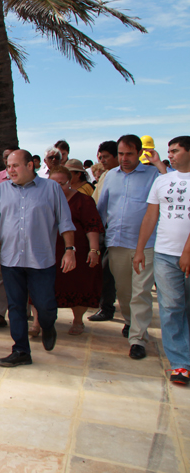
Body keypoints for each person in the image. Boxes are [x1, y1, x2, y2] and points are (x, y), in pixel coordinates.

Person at [0, 150, 76, 367]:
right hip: (10, 261)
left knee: (45, 305)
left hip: (41, 261)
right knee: (16, 307)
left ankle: (48, 325)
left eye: (15, 166)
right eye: (8, 166)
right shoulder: (2, 190)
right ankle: (20, 351)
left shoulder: (52, 189)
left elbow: (65, 222)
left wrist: (70, 249)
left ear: (30, 166)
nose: (10, 170)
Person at [97, 134, 168, 359]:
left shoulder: (154, 175)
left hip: (146, 245)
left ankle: (138, 338)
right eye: (121, 154)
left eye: (129, 153)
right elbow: (102, 208)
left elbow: (173, 187)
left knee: (142, 292)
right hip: (117, 242)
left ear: (139, 153)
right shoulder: (110, 176)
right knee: (125, 291)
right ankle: (130, 322)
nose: (124, 158)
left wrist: (158, 164)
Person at [133, 136, 190, 385]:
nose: (171, 154)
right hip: (165, 254)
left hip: (187, 254)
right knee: (171, 307)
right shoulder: (162, 180)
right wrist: (139, 249)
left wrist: (187, 251)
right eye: (169, 151)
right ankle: (180, 363)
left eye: (175, 150)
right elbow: (150, 217)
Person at [47, 166, 103, 336]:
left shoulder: (84, 201)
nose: (57, 188)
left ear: (70, 182)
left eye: (61, 184)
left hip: (76, 252)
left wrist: (94, 250)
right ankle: (38, 322)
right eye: (52, 184)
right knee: (43, 288)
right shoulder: (42, 200)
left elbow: (92, 226)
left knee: (78, 287)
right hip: (48, 252)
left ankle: (78, 320)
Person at [88, 140, 120, 323]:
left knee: (108, 271)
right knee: (103, 270)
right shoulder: (106, 175)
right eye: (100, 157)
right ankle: (104, 305)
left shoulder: (118, 176)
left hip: (116, 231)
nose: (102, 160)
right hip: (102, 229)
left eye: (106, 157)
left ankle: (107, 307)